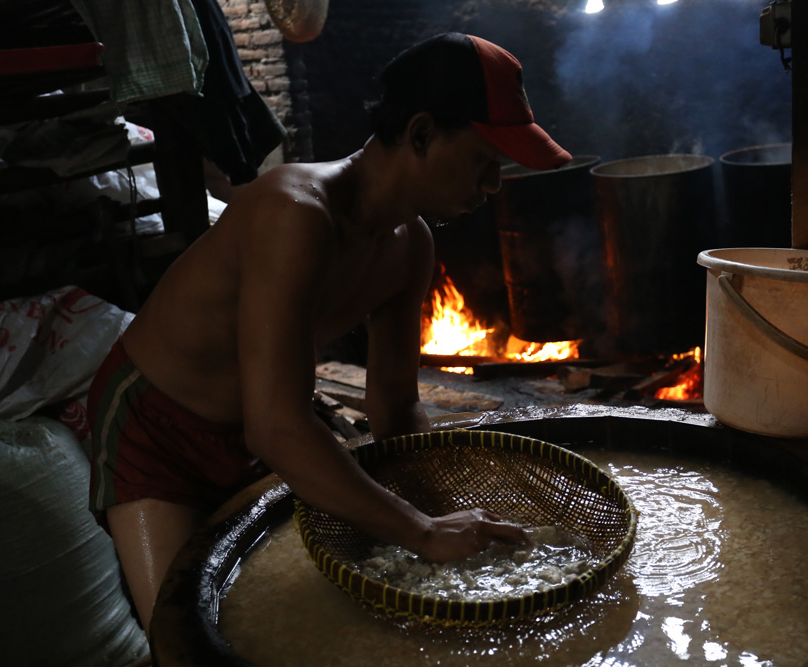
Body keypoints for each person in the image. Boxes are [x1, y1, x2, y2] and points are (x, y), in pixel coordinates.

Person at [86, 32, 573, 632]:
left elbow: (394, 408)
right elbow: (278, 426)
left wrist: (452, 517)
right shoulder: (293, 212)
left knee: (275, 622)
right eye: (485, 162)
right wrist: (419, 530)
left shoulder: (410, 245)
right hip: (157, 429)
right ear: (420, 134)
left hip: (251, 431)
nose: (494, 185)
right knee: (184, 630)